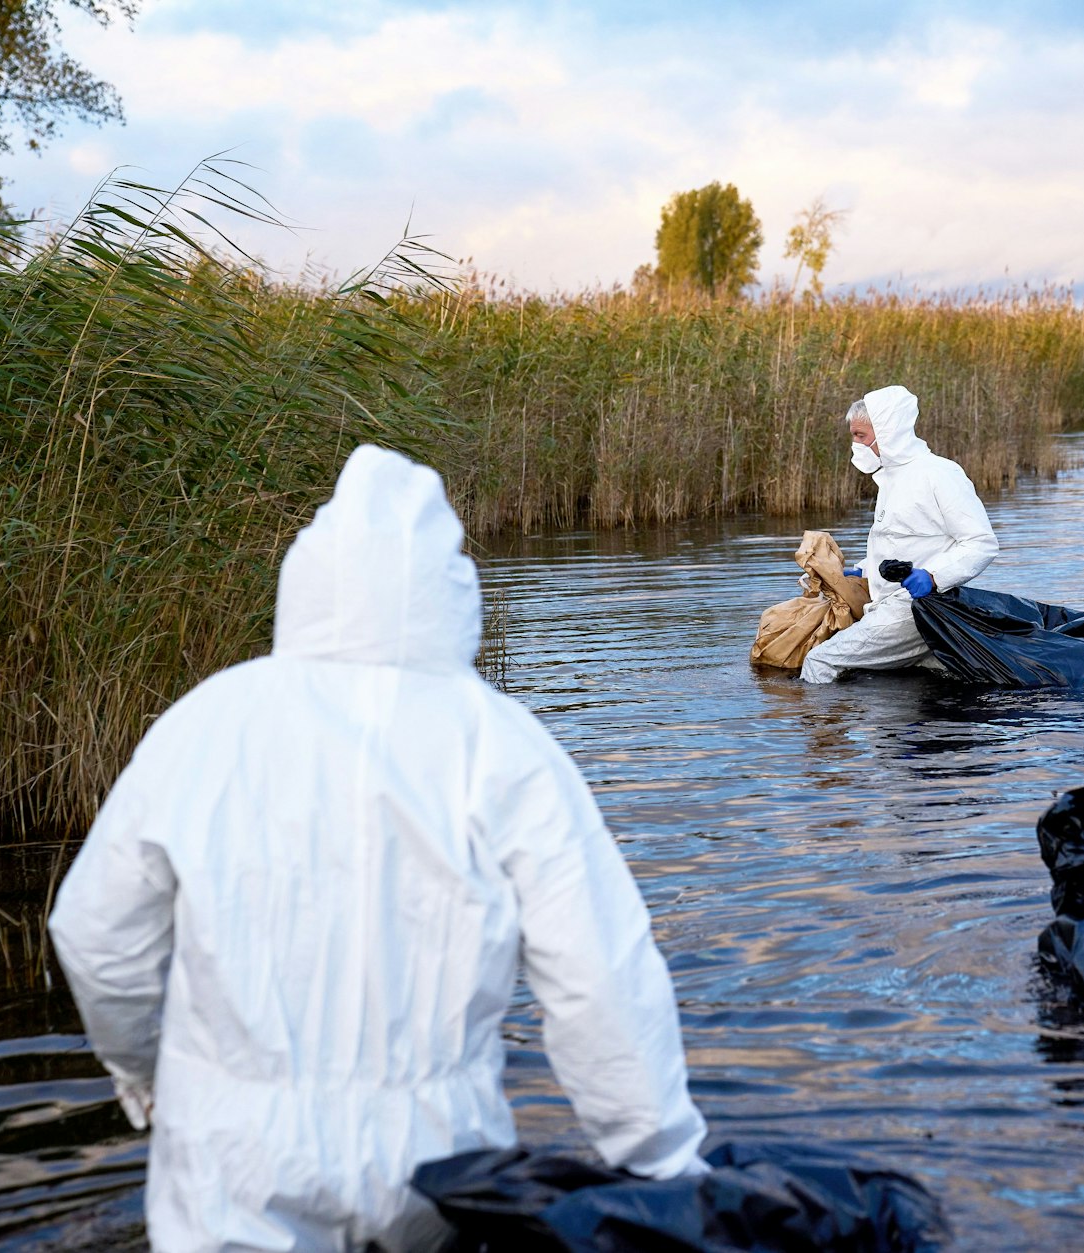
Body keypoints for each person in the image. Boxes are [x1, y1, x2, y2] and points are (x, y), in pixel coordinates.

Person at [49, 445, 707, 1252]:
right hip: (440, 1160)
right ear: (450, 589)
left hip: (235, 1158)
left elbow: (95, 932)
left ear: (310, 575)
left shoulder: (206, 725)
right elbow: (599, 974)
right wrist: (664, 1166)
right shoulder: (504, 744)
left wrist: (148, 1074)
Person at [799, 385, 999, 684]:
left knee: (820, 660)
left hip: (915, 607)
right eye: (853, 436)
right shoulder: (890, 478)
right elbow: (900, 543)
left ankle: (821, 727)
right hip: (890, 605)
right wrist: (860, 570)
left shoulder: (940, 474)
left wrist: (932, 576)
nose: (855, 444)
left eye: (861, 436)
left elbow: (981, 543)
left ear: (888, 431)